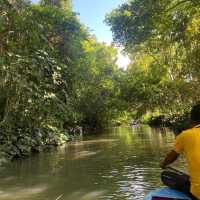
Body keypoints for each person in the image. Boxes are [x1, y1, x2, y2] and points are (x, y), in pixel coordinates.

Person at [160, 104, 200, 200]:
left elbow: (172, 156)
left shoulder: (186, 135)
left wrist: (163, 164)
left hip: (198, 193)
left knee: (165, 175)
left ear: (191, 120)